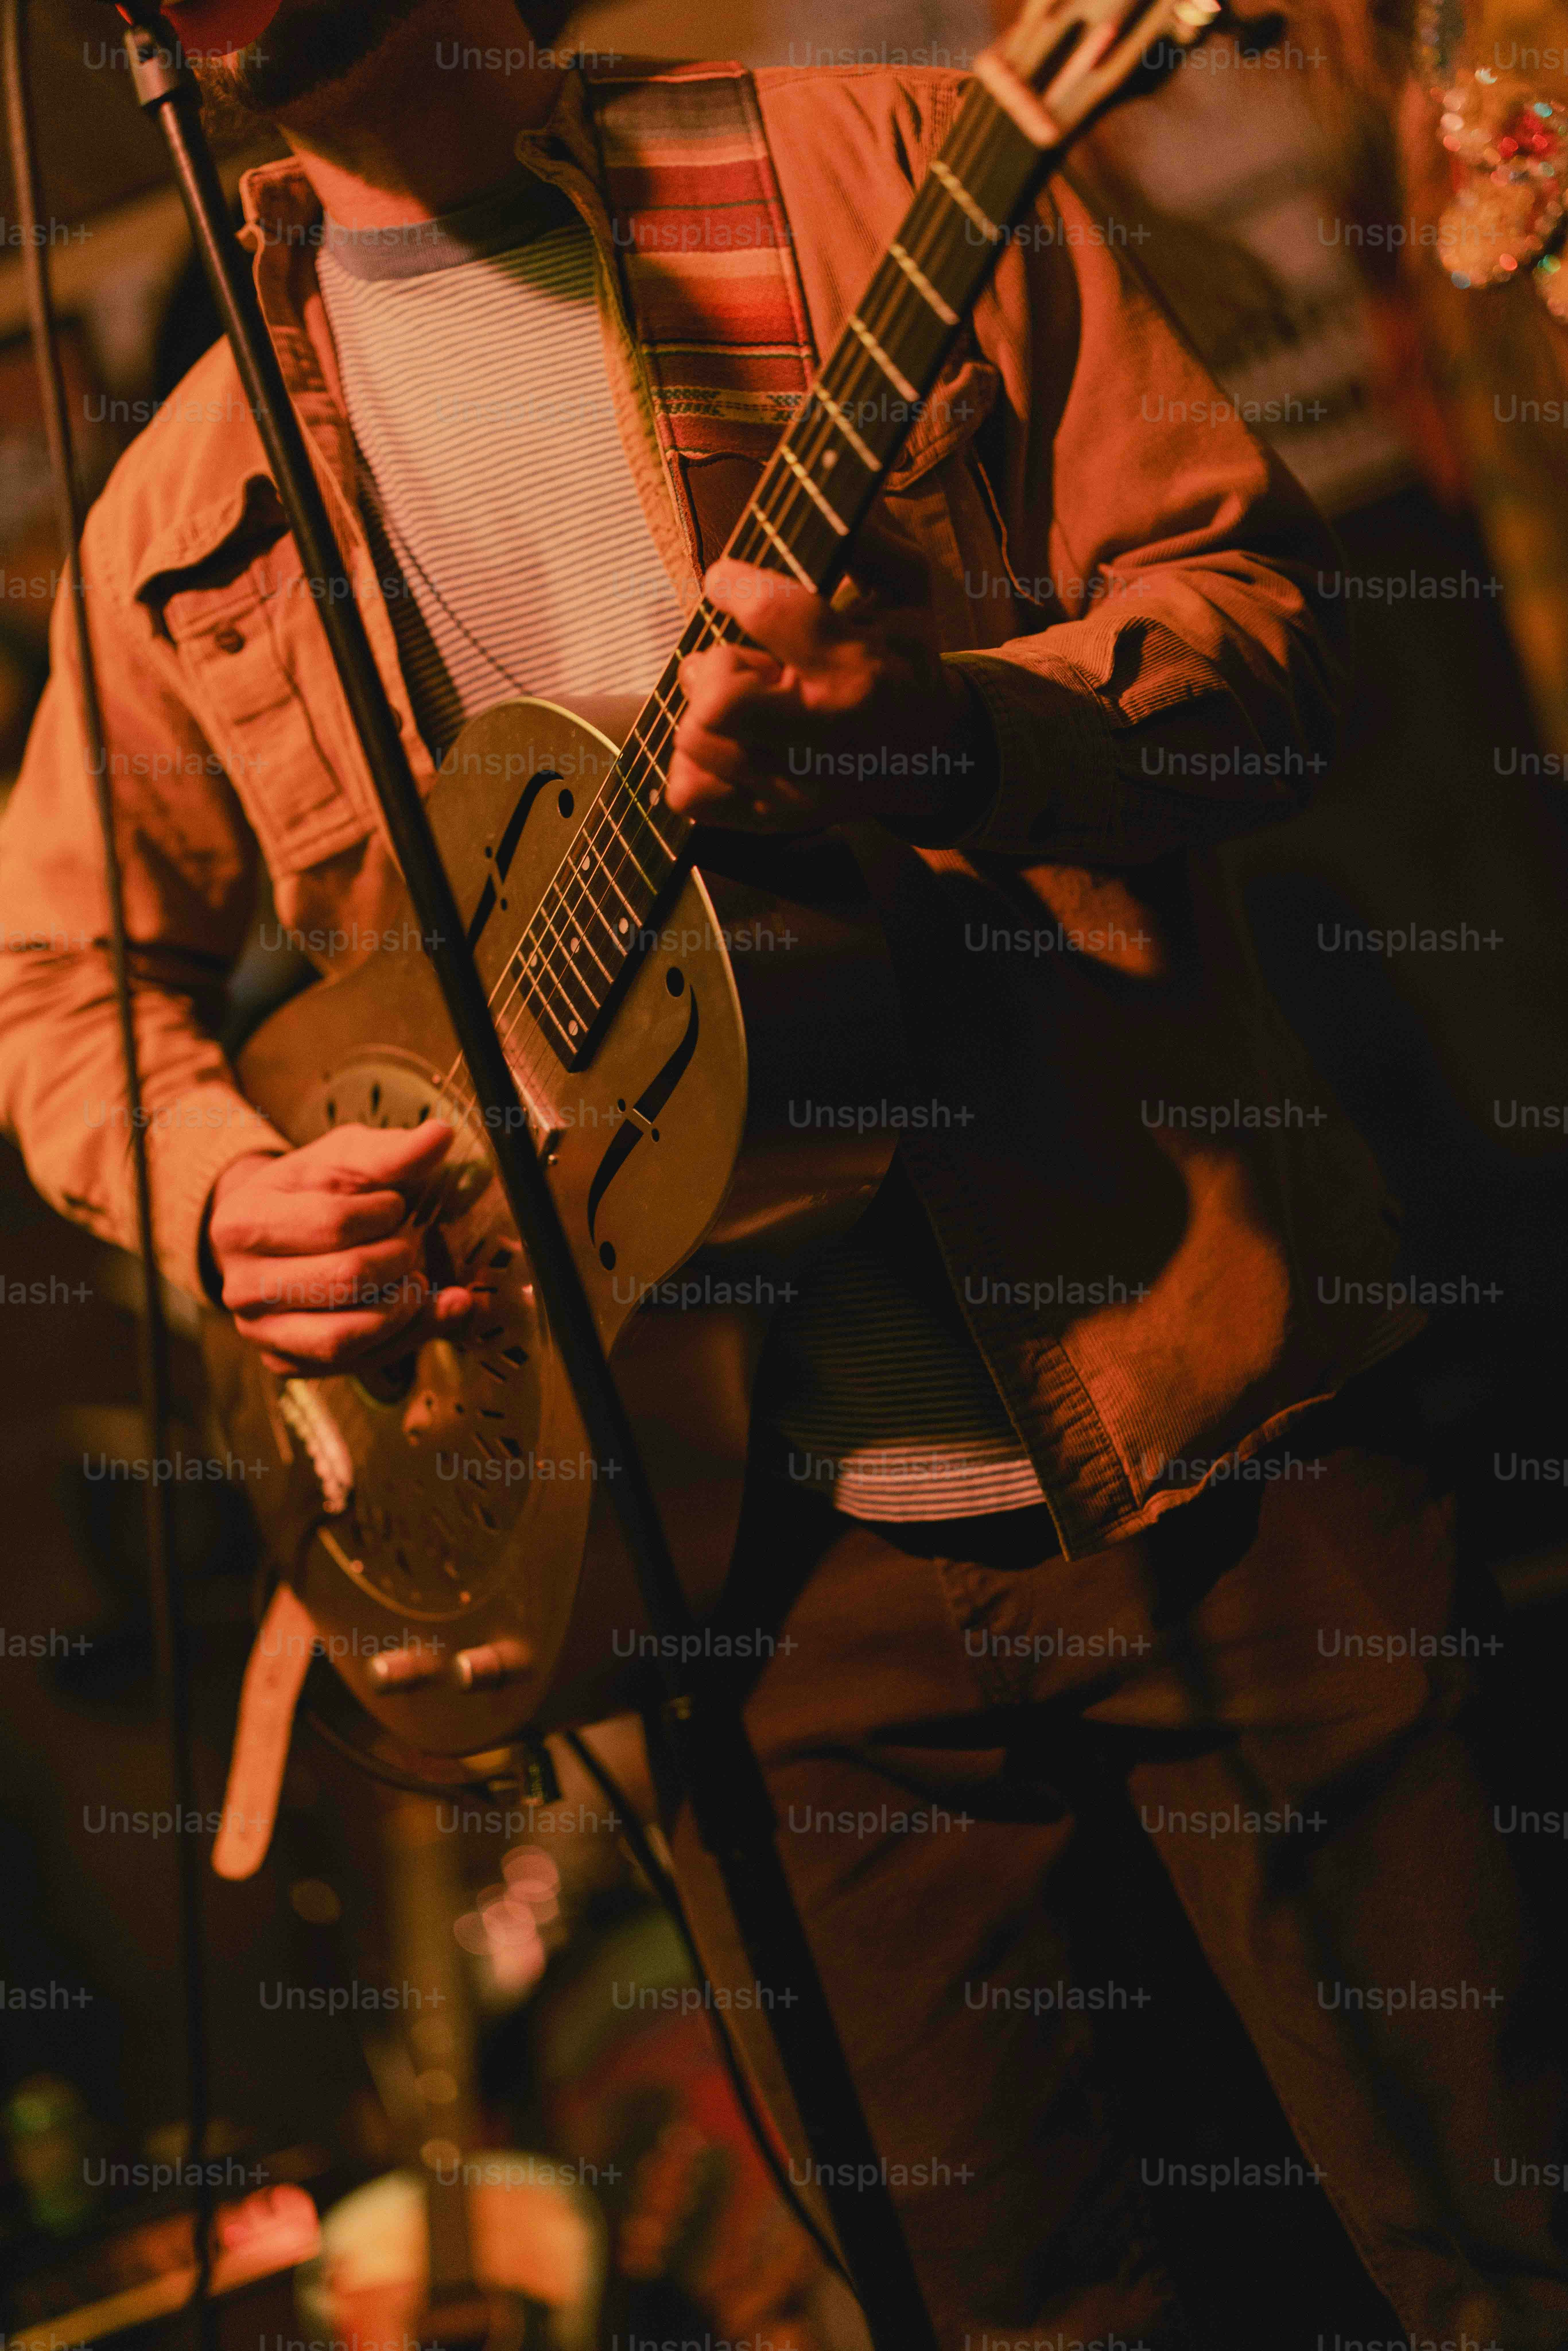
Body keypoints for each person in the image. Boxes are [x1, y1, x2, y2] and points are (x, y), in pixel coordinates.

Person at [3, 0, 1565, 2341]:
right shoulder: (183, 498)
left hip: (1196, 1453)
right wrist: (223, 1186)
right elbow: (52, 982)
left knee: (1496, 2251)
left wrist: (933, 726)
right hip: (729, 1589)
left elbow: (1265, 645)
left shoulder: (890, 167)